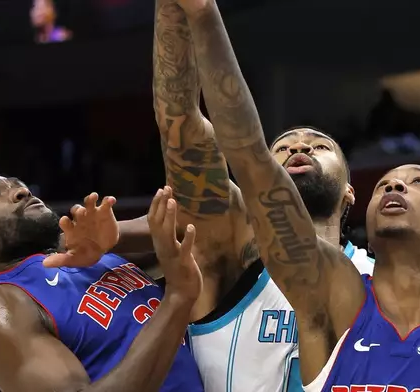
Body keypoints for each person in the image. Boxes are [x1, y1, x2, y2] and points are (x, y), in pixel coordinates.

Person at [172, 0, 420, 390]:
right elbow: (251, 160)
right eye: (383, 185)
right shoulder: (333, 297)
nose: (395, 185)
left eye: (419, 181)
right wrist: (203, 15)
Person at [147, 1, 373, 390]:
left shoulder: (381, 278)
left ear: (350, 192)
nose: (300, 148)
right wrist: (174, 8)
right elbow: (181, 125)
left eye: (320, 147)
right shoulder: (234, 250)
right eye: (282, 149)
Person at [0, 173, 204, 392]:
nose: (21, 191)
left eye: (16, 184)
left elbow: (202, 226)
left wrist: (120, 237)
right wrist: (177, 298)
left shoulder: (82, 251)